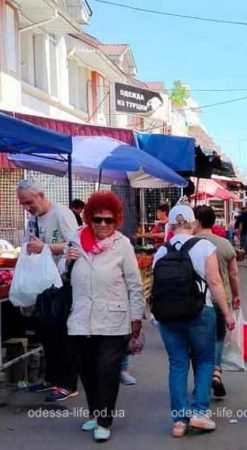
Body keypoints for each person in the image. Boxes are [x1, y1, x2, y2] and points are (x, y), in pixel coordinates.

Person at [65, 192, 145, 442]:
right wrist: (66, 263)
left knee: (107, 370)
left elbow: (135, 285)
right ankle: (95, 413)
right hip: (81, 319)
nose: (102, 225)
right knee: (87, 371)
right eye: (97, 219)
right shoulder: (76, 239)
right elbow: (63, 274)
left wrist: (136, 320)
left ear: (116, 221)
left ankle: (105, 420)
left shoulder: (122, 244)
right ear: (89, 218)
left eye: (108, 220)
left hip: (114, 320)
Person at [153, 205, 235, 438]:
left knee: (177, 363)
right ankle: (200, 412)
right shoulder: (205, 247)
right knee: (205, 361)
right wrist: (227, 314)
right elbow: (216, 282)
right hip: (200, 312)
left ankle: (179, 420)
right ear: (193, 223)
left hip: (168, 315)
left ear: (170, 224)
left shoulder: (161, 252)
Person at [16, 179, 79, 401]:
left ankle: (68, 383)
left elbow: (75, 244)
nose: (26, 207)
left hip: (61, 282)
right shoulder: (33, 219)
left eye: (29, 202)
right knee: (46, 333)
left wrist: (46, 248)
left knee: (62, 333)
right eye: (22, 204)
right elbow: (30, 243)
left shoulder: (61, 214)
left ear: (41, 195)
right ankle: (51, 379)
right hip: (42, 283)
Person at [193, 205, 241, 398]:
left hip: (195, 301)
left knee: (197, 341)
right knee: (218, 337)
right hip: (221, 299)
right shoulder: (224, 244)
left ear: (196, 222)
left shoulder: (189, 243)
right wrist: (236, 295)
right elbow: (234, 274)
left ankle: (200, 380)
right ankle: (216, 371)